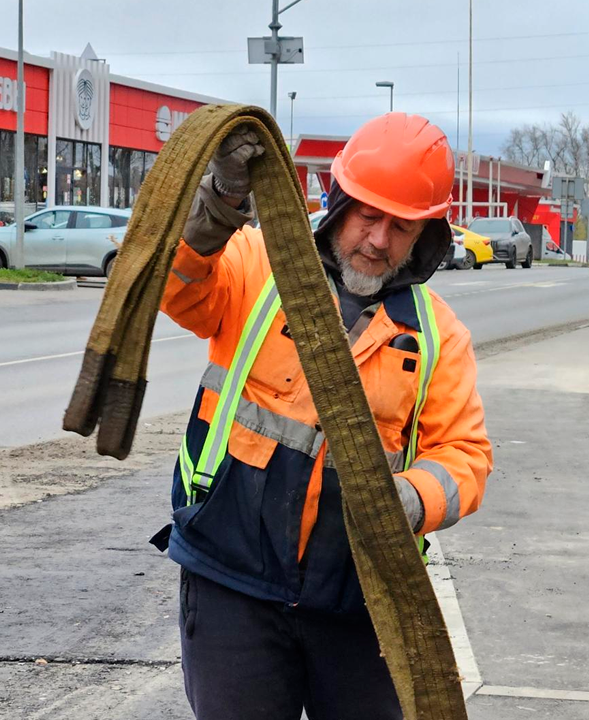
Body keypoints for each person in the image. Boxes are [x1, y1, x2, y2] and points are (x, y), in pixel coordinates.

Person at [153, 112, 492, 719]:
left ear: (429, 235)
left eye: (402, 225)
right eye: (369, 214)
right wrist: (225, 196)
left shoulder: (439, 336)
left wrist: (412, 499)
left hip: (363, 605)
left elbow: (465, 457)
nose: (379, 240)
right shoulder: (257, 264)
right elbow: (178, 288)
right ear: (338, 200)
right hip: (233, 581)